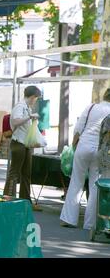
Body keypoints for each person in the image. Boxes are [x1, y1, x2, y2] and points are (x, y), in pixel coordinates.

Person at [60, 88, 110, 229]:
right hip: (101, 151)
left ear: (104, 95)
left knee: (76, 182)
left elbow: (78, 130)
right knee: (95, 186)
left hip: (83, 146)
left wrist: (73, 147)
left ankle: (69, 219)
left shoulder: (91, 107)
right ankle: (90, 224)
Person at [3, 86, 41, 206]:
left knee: (26, 173)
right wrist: (29, 117)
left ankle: (25, 199)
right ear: (32, 97)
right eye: (36, 98)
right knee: (15, 172)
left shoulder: (27, 107)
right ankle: (8, 197)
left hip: (26, 143)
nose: (36, 100)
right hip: (18, 143)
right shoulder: (20, 106)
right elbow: (15, 121)